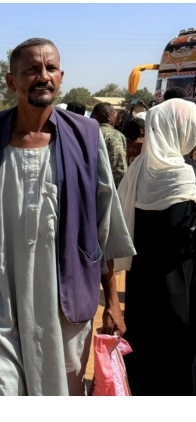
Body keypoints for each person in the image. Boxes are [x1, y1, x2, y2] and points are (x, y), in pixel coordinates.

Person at [0, 37, 135, 396]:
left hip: (64, 300)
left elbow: (104, 225)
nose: (42, 76)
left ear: (61, 77)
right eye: (31, 69)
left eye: (50, 68)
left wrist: (111, 301)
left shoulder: (86, 137)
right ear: (11, 81)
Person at [116, 98, 196, 395]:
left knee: (146, 353)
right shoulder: (186, 174)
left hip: (142, 281)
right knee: (178, 359)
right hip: (180, 282)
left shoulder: (139, 169)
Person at [91, 102, 128, 188]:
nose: (115, 117)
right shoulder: (114, 135)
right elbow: (119, 167)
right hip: (107, 188)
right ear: (109, 116)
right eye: (114, 114)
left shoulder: (86, 133)